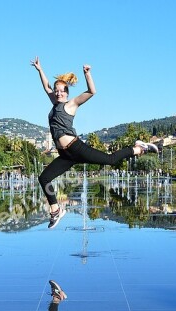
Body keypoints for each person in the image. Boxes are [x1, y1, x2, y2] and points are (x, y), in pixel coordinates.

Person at [31, 57, 158, 228]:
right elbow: (46, 86)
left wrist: (87, 74)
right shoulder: (54, 103)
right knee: (44, 178)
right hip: (65, 155)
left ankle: (137, 148)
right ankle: (56, 210)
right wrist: (40, 70)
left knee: (110, 160)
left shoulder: (71, 104)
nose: (58, 93)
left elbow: (92, 91)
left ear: (67, 92)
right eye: (57, 91)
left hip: (75, 148)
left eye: (62, 91)